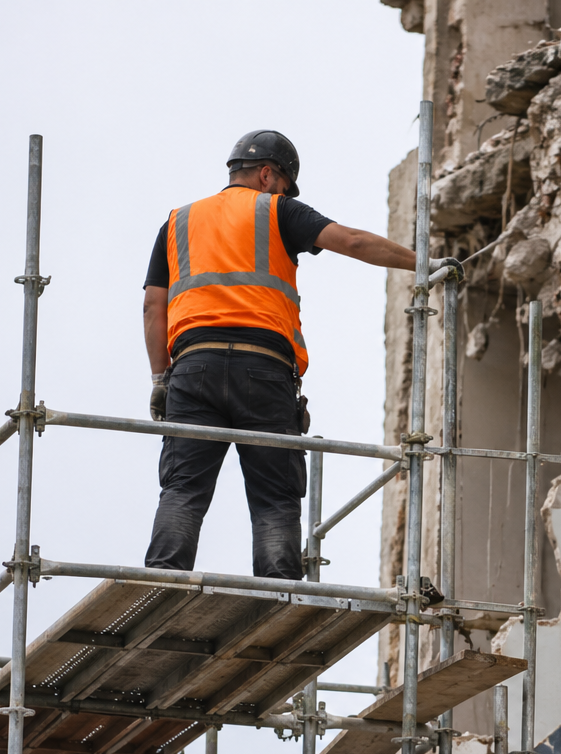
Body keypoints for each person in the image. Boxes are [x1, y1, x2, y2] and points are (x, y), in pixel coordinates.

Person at [141, 130, 456, 577]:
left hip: (194, 369)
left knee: (183, 489)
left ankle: (162, 581)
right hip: (263, 370)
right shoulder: (276, 210)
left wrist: (160, 379)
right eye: (286, 183)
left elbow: (154, 305)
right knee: (274, 494)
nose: (286, 192)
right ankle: (278, 596)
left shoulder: (178, 222)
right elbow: (352, 241)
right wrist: (424, 262)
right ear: (269, 175)